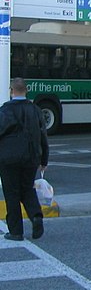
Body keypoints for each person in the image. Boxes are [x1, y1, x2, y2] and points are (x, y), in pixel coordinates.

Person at [0, 78, 49, 241]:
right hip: (31, 156)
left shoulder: (5, 111)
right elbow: (43, 136)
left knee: (12, 193)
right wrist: (44, 160)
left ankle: (16, 232)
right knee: (27, 188)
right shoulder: (35, 110)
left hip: (9, 158)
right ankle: (36, 216)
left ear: (11, 90)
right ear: (26, 90)